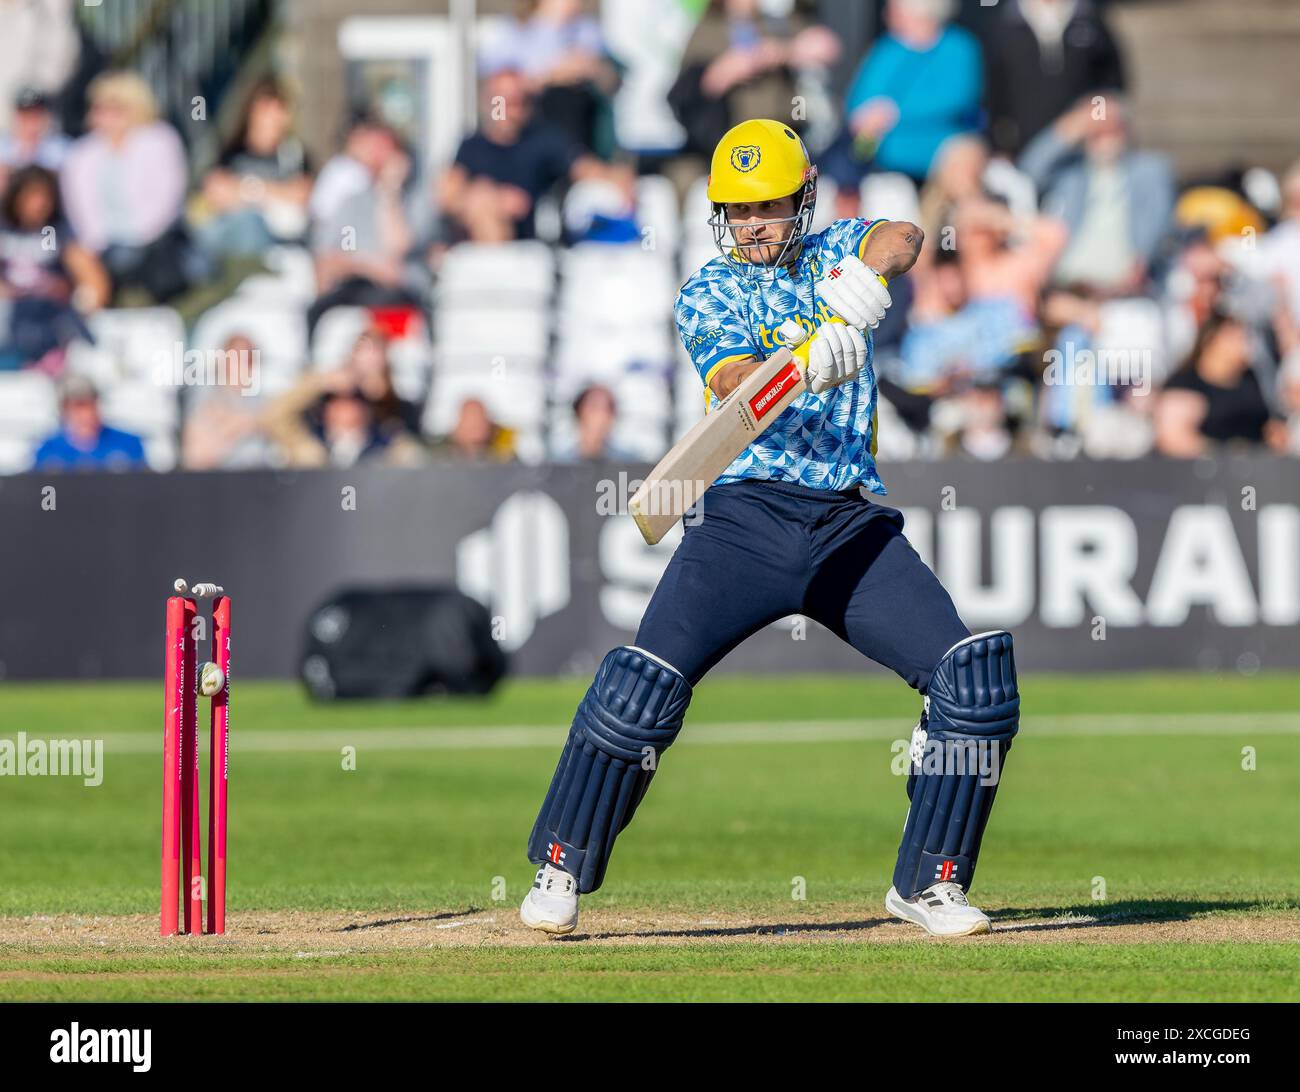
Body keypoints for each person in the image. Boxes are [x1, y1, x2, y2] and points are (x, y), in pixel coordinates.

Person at [520, 118, 1021, 939]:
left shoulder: (837, 249)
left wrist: (858, 282)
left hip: (849, 526)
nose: (751, 223)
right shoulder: (706, 291)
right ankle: (562, 864)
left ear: (805, 197)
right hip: (741, 522)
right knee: (637, 694)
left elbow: (906, 236)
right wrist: (807, 357)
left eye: (769, 206)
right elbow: (735, 383)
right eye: (735, 208)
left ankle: (929, 882)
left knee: (973, 688)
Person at [438, 68, 633, 243]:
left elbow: (585, 168)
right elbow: (446, 195)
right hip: (477, 237)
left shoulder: (543, 140)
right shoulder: (473, 146)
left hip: (528, 242)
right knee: (482, 203)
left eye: (516, 101)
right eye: (501, 101)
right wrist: (495, 198)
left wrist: (618, 179)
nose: (508, 110)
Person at [59, 71, 204, 304]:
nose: (107, 117)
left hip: (154, 243)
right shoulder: (81, 154)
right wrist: (101, 244)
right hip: (104, 248)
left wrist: (133, 240)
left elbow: (165, 203)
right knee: (77, 256)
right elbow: (81, 211)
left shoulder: (160, 141)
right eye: (100, 108)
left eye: (116, 109)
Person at [826, 0, 982, 200]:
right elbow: (858, 100)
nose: (886, 12)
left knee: (963, 163)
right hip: (881, 152)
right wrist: (868, 115)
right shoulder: (887, 49)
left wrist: (894, 113)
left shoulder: (959, 47)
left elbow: (957, 98)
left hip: (941, 144)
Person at [0, 165, 107, 372]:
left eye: (45, 197)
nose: (39, 204)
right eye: (32, 196)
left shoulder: (56, 230)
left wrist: (81, 301)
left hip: (51, 316)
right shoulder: (4, 227)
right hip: (10, 315)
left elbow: (92, 279)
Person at [195, 79, 313, 257]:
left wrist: (244, 190)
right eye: (266, 111)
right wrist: (272, 194)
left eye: (279, 111)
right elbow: (215, 192)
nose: (272, 120)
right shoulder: (231, 152)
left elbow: (301, 197)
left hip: (281, 243)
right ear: (252, 111)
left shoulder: (294, 155)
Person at [1154, 309, 1287, 457]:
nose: (1246, 344)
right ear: (1212, 339)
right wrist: (1226, 455)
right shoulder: (1185, 384)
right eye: (1236, 337)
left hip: (1253, 474)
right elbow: (1173, 439)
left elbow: (1266, 426)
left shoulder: (1250, 379)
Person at [33, 376, 148, 471]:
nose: (85, 414)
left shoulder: (128, 444)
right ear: (64, 410)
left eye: (90, 404)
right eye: (78, 406)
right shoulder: (48, 450)